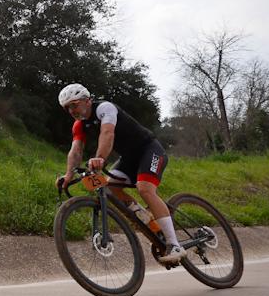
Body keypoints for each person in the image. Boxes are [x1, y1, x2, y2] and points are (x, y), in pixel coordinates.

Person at [57, 83, 186, 265]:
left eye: (74, 104)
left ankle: (174, 245)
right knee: (108, 188)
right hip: (129, 158)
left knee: (145, 189)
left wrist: (100, 158)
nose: (71, 110)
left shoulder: (105, 108)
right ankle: (146, 218)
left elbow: (107, 133)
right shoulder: (79, 125)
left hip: (149, 150)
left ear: (87, 101)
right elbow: (76, 150)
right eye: (67, 108)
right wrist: (68, 175)